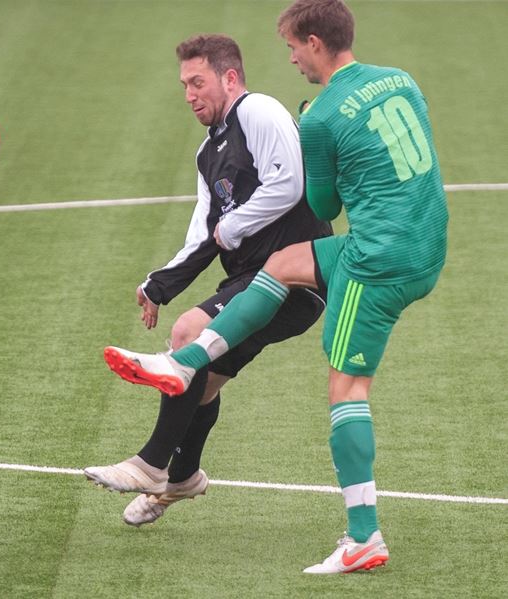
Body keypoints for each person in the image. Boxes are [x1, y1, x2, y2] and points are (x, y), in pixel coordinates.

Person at [103, 0, 448, 574]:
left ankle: (364, 536)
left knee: (347, 391)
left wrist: (320, 149)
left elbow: (321, 204)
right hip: (427, 239)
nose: (289, 59)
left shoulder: (316, 115)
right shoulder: (399, 80)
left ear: (315, 42)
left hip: (378, 261)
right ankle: (185, 367)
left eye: (292, 47)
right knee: (286, 262)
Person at [86, 34, 330, 527]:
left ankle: (150, 464)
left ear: (230, 78)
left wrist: (233, 226)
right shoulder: (206, 154)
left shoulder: (258, 111)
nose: (190, 94)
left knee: (187, 336)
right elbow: (204, 233)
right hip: (252, 282)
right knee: (200, 385)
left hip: (293, 279)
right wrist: (161, 284)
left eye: (198, 82)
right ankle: (183, 479)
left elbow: (289, 182)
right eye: (184, 85)